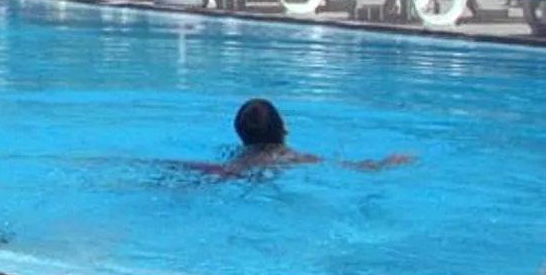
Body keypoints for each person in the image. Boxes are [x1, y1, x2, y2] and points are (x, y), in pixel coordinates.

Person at [177, 97, 415, 176]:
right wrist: (386, 163)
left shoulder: (234, 157)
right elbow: (348, 166)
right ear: (283, 130)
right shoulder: (293, 157)